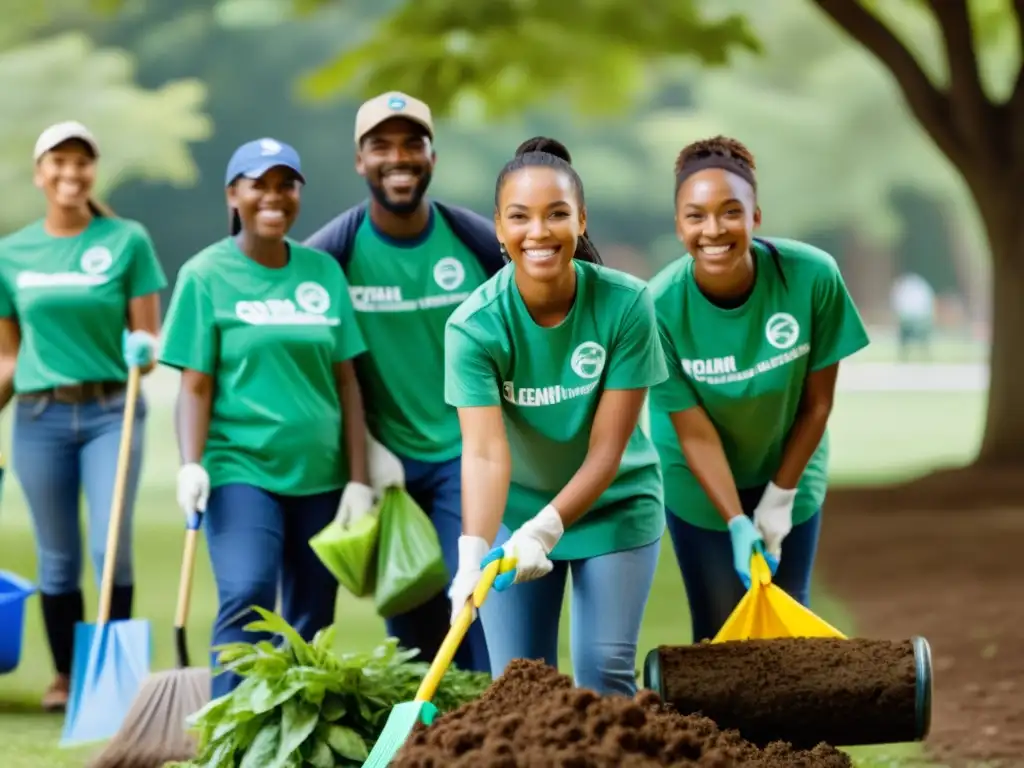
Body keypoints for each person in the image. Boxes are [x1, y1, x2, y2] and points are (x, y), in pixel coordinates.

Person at [445, 137, 668, 696]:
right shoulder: (473, 327)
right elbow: (485, 452)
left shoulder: (626, 304)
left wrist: (547, 529)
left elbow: (607, 450)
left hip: (612, 507)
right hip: (512, 514)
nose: (538, 233)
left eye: (557, 215)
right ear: (498, 227)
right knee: (520, 688)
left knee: (602, 676)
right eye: (519, 217)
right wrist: (473, 555)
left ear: (581, 219)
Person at [159, 138, 373, 697]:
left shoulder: (323, 273)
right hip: (240, 468)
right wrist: (190, 463)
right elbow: (195, 384)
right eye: (259, 185)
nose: (274, 197)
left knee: (312, 616)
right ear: (234, 194)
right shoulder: (205, 275)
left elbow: (348, 381)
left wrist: (359, 477)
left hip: (321, 475)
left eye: (287, 185)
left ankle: (290, 731)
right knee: (248, 588)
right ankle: (231, 725)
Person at [304, 92, 503, 673]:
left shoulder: (475, 242)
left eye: (412, 144)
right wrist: (364, 453)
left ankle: (501, 726)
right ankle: (429, 742)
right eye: (381, 146)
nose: (399, 158)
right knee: (411, 622)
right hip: (386, 464)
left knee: (476, 603)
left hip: (466, 455)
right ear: (359, 161)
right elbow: (308, 358)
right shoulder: (332, 255)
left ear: (432, 157)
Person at [647, 135, 870, 643]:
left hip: (789, 463)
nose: (713, 229)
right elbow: (693, 432)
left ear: (755, 216)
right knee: (720, 632)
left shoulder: (812, 277)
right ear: (679, 224)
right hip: (698, 484)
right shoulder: (658, 307)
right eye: (696, 216)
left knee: (788, 628)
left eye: (730, 212)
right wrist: (735, 521)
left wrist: (779, 498)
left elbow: (817, 404)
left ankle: (791, 728)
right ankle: (715, 728)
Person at [0, 121, 165, 711]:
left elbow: (148, 332)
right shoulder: (11, 253)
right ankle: (67, 677)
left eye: (82, 163)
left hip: (111, 412)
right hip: (40, 416)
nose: (71, 173)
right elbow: (8, 357)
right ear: (40, 172)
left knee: (110, 547)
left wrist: (144, 350)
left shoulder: (126, 240)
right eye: (59, 162)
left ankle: (111, 682)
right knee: (57, 555)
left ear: (93, 171)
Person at [890, 272, 935, 362]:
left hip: (915, 319)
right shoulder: (918, 286)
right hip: (915, 318)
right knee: (907, 334)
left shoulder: (907, 288)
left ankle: (909, 354)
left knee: (912, 333)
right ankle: (910, 354)